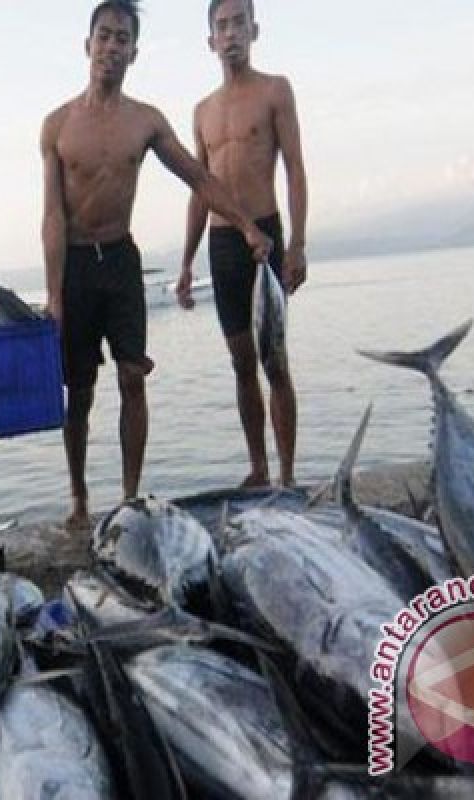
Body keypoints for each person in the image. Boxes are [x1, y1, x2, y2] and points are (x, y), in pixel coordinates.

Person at [42, 0, 272, 530]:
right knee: (78, 391)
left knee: (132, 379)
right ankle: (78, 498)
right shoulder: (57, 126)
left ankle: (127, 497)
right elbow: (52, 215)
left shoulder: (144, 121)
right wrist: (54, 294)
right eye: (104, 36)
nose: (112, 47)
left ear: (134, 52)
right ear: (88, 45)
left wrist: (245, 224)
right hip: (76, 264)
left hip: (121, 260)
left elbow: (200, 177)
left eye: (122, 38)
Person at [176, 0, 307, 488]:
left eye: (238, 23)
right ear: (210, 39)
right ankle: (259, 468)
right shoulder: (202, 112)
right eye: (221, 25)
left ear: (255, 29)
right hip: (222, 243)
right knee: (240, 362)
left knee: (275, 358)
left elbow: (294, 167)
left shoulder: (275, 91)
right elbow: (199, 187)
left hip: (264, 238)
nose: (230, 33)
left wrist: (297, 243)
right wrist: (187, 263)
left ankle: (288, 475)